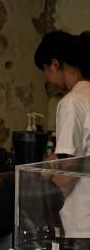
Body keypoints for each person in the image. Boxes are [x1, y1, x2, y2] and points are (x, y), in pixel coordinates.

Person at [34, 30, 90, 238]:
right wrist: (48, 165)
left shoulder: (71, 102)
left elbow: (70, 168)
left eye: (44, 69)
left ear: (55, 64)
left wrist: (42, 208)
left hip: (82, 222)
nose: (46, 77)